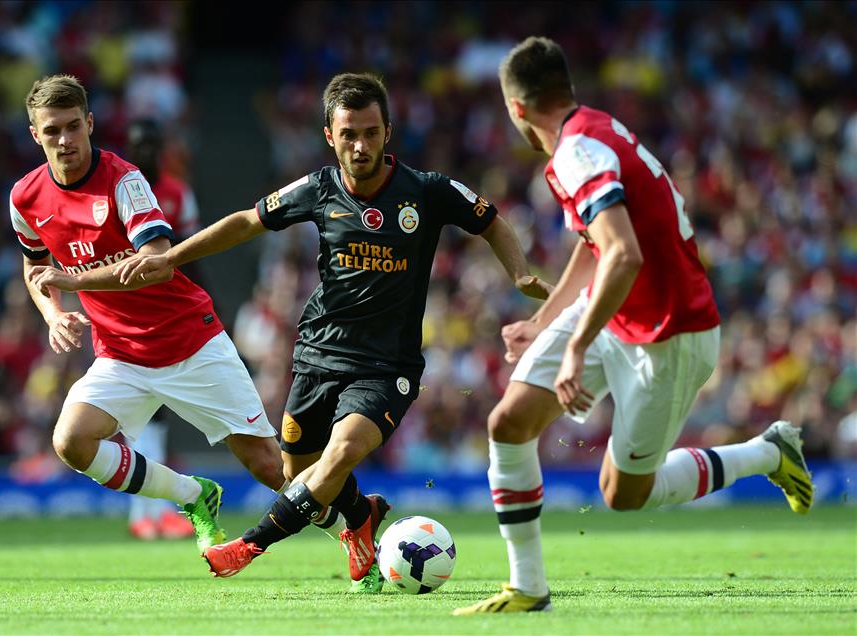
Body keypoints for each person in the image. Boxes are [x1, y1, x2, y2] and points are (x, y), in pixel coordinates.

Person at [115, 72, 553, 592]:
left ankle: (251, 544)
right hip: (318, 353)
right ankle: (362, 515)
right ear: (330, 135)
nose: (360, 145)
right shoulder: (319, 188)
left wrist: (519, 274)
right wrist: (172, 258)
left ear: (387, 132)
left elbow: (491, 220)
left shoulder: (427, 191)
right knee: (297, 471)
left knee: (340, 454)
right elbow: (247, 221)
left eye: (370, 133)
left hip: (387, 366)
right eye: (349, 134)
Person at [452, 36, 814, 615]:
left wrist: (575, 348)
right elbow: (595, 244)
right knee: (509, 422)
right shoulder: (593, 131)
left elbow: (623, 255)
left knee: (622, 495)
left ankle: (768, 453)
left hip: (669, 333)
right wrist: (544, 321)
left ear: (515, 108)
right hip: (618, 307)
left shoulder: (577, 152)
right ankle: (528, 587)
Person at [9, 74, 286, 554]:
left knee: (267, 465)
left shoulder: (124, 180)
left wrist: (73, 282)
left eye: (73, 126)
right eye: (52, 130)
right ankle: (193, 495)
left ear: (89, 124)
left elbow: (156, 262)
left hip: (187, 341)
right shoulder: (25, 197)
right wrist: (53, 314)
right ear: (36, 134)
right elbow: (35, 267)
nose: (64, 139)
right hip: (121, 354)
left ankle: (357, 522)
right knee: (71, 441)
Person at [123, 118, 205, 541]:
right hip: (129, 319)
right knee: (145, 417)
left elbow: (192, 254)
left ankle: (147, 514)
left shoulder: (177, 193)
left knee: (151, 417)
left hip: (169, 315)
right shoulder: (119, 193)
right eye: (140, 146)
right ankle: (147, 514)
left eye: (152, 146)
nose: (147, 154)